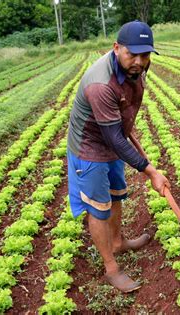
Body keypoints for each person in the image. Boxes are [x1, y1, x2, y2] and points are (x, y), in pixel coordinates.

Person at [66, 20, 170, 293]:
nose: (139, 61)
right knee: (99, 208)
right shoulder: (101, 84)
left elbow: (120, 124)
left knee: (116, 193)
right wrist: (150, 170)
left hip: (112, 138)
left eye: (145, 55)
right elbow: (112, 137)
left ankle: (118, 242)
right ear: (116, 49)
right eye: (132, 54)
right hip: (89, 147)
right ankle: (111, 268)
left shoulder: (136, 70)